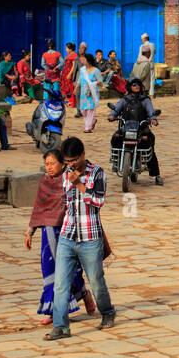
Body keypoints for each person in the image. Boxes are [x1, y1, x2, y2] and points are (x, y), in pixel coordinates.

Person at [46, 137, 116, 340]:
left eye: (74, 160)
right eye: (67, 161)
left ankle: (107, 311)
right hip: (68, 236)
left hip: (90, 237)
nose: (71, 165)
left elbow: (99, 201)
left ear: (83, 155)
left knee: (95, 280)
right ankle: (60, 327)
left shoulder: (97, 172)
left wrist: (80, 185)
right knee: (60, 284)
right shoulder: (65, 173)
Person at [24, 145, 96, 325]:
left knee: (70, 271)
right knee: (50, 272)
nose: (48, 167)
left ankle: (84, 294)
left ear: (63, 164)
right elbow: (38, 209)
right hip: (48, 234)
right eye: (46, 164)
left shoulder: (70, 180)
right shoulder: (43, 183)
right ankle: (53, 311)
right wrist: (30, 232)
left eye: (52, 163)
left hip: (68, 232)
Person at [109, 78, 163, 185]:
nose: (136, 86)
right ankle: (116, 162)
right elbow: (116, 109)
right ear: (129, 87)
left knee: (150, 145)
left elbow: (150, 111)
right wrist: (112, 115)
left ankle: (156, 174)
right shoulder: (124, 100)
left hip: (142, 130)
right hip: (126, 129)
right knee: (115, 138)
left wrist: (153, 119)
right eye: (134, 85)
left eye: (138, 84)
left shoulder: (145, 100)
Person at [79, 54, 102, 133]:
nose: (82, 61)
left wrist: (93, 84)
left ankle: (87, 128)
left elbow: (100, 82)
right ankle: (92, 121)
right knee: (83, 110)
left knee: (90, 110)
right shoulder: (82, 70)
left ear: (88, 61)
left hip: (92, 93)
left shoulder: (96, 70)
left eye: (84, 60)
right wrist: (75, 88)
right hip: (83, 94)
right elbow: (80, 80)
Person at [61, 42, 80, 116]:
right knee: (66, 87)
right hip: (65, 73)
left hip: (70, 74)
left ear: (70, 49)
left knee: (71, 87)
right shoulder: (68, 55)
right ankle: (69, 100)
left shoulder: (74, 55)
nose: (66, 49)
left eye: (67, 48)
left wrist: (70, 74)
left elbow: (73, 66)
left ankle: (73, 102)